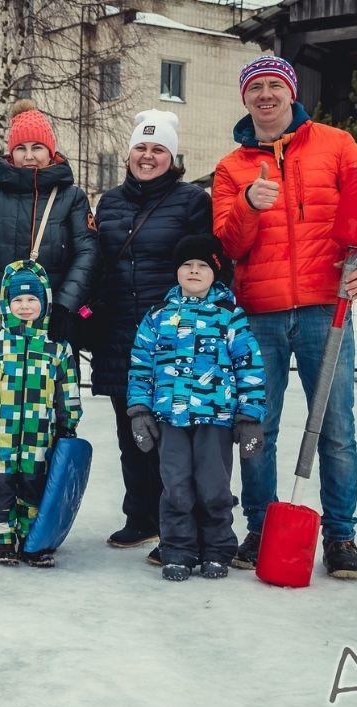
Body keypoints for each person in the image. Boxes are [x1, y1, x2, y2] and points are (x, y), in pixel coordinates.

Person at [213, 55, 357, 579]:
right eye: (255, 88)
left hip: (323, 308)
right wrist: (247, 204)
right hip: (258, 314)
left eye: (273, 86)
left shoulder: (337, 144)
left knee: (334, 427)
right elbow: (228, 244)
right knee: (257, 427)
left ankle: (340, 536)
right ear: (244, 98)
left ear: (291, 93)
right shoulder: (230, 167)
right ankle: (261, 526)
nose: (265, 95)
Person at [89, 109, 211, 560]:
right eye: (141, 146)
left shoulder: (192, 202)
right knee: (130, 431)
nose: (147, 155)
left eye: (158, 149)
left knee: (174, 432)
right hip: (122, 329)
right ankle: (140, 517)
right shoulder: (110, 203)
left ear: (172, 157)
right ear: (128, 153)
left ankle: (177, 523)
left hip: (174, 335)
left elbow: (205, 265)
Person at [126, 234, 267, 581]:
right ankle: (177, 549)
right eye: (186, 265)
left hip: (215, 419)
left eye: (202, 265)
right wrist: (140, 411)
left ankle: (217, 549)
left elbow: (250, 366)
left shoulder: (229, 316)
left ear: (214, 272)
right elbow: (141, 365)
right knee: (175, 485)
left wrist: (249, 416)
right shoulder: (158, 316)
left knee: (213, 486)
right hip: (170, 417)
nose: (193, 271)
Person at [0, 260, 81, 568]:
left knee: (34, 485)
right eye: (17, 300)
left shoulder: (57, 346)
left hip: (40, 432)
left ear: (44, 302)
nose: (25, 306)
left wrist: (69, 422)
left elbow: (68, 389)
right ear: (6, 303)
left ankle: (32, 539)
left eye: (32, 300)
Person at [0, 99, 99, 346]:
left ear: (50, 151)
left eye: (37, 147)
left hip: (53, 321)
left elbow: (86, 253)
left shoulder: (72, 198)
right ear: (11, 153)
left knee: (51, 385)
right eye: (20, 148)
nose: (28, 156)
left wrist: (65, 306)